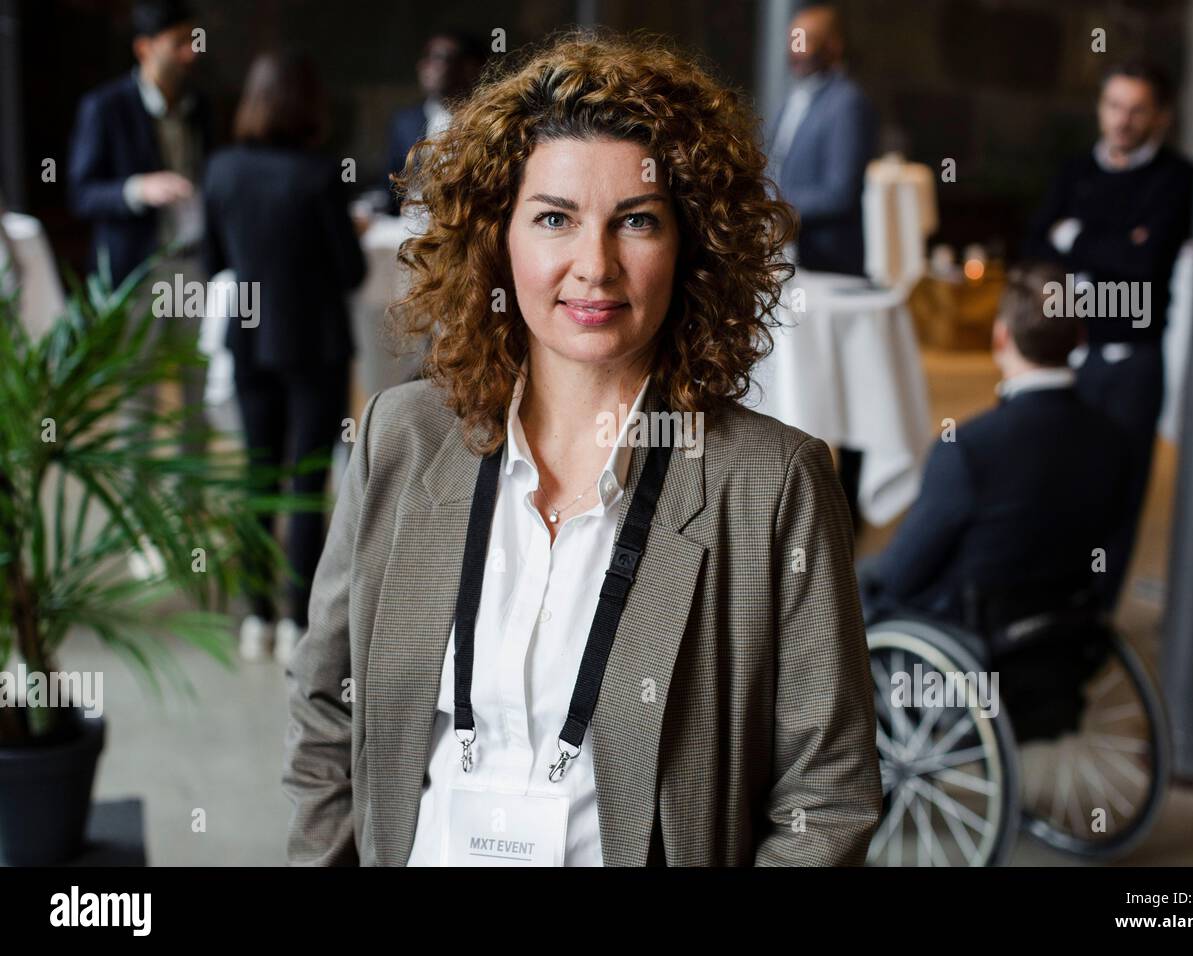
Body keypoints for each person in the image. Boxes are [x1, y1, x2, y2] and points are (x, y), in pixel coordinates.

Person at [283, 30, 881, 867]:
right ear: (499, 237)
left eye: (635, 221)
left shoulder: (771, 483)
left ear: (692, 244)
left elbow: (831, 794)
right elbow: (325, 710)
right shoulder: (401, 438)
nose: (593, 266)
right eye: (554, 218)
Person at [202, 51, 366, 665]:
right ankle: (299, 620)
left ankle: (255, 619)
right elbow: (348, 272)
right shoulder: (321, 174)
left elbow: (213, 260)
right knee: (307, 479)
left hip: (248, 339)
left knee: (257, 476)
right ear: (308, 105)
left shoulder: (221, 169)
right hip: (314, 342)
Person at [860, 262, 1131, 626]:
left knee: (864, 580)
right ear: (1080, 337)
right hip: (1064, 632)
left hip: (972, 641)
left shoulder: (966, 449)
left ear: (1000, 337)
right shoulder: (1113, 438)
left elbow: (901, 577)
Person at [1024, 60, 1193, 609]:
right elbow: (1035, 249)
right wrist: (1112, 245)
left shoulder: (1178, 179)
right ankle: (1047, 607)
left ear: (1162, 116)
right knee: (1054, 485)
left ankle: (1094, 620)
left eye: (1138, 109)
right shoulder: (1075, 171)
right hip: (1064, 355)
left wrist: (1074, 236)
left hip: (1132, 360)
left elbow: (1144, 266)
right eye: (1114, 106)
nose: (1123, 120)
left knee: (1117, 496)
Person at [67, 0, 211, 287]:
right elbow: (81, 194)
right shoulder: (105, 107)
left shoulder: (201, 107)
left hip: (194, 264)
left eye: (195, 40)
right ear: (144, 48)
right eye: (179, 42)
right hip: (135, 270)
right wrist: (138, 189)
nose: (192, 52)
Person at [766, 3, 877, 278]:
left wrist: (777, 207)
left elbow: (840, 192)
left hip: (826, 260)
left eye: (805, 40)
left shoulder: (846, 103)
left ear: (833, 46)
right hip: (786, 253)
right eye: (793, 40)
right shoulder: (791, 99)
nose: (795, 50)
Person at [382, 32, 487, 213]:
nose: (425, 65)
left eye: (438, 57)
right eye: (425, 57)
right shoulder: (404, 122)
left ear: (469, 67)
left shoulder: (488, 122)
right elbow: (389, 189)